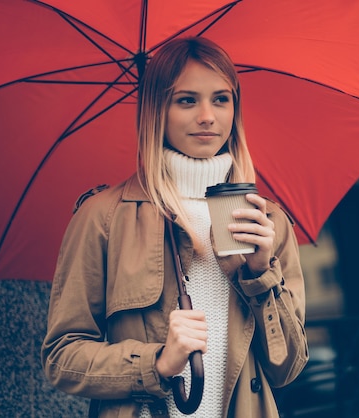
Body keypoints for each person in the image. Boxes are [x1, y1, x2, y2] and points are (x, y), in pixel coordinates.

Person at [41, 37, 308, 418]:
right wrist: (157, 363)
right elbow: (61, 356)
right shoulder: (104, 216)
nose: (207, 116)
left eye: (221, 99)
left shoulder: (266, 222)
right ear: (157, 109)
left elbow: (289, 367)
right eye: (186, 100)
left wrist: (261, 273)